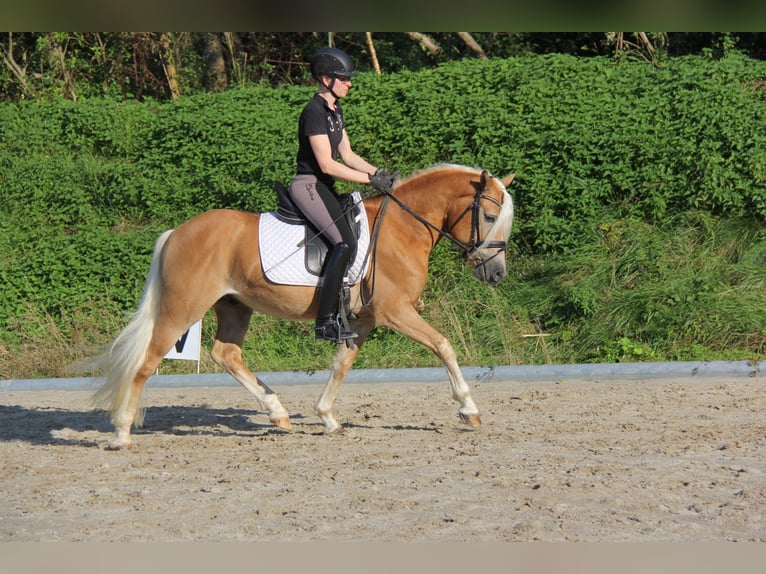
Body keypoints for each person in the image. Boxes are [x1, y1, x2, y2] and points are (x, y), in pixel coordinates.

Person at [289, 46, 395, 343]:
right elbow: (327, 164)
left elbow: (347, 154)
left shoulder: (335, 110)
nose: (350, 83)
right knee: (344, 242)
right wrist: (369, 181)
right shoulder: (314, 112)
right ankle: (325, 322)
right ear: (325, 79)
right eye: (344, 78)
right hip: (308, 185)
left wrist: (379, 174)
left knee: (353, 236)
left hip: (324, 187)